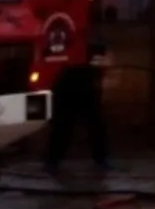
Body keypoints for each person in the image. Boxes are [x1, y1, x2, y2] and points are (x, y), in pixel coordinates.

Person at [45, 40, 112, 174]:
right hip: (67, 82)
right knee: (63, 125)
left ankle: (101, 159)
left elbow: (100, 62)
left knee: (96, 123)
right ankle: (52, 161)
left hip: (86, 83)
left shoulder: (91, 39)